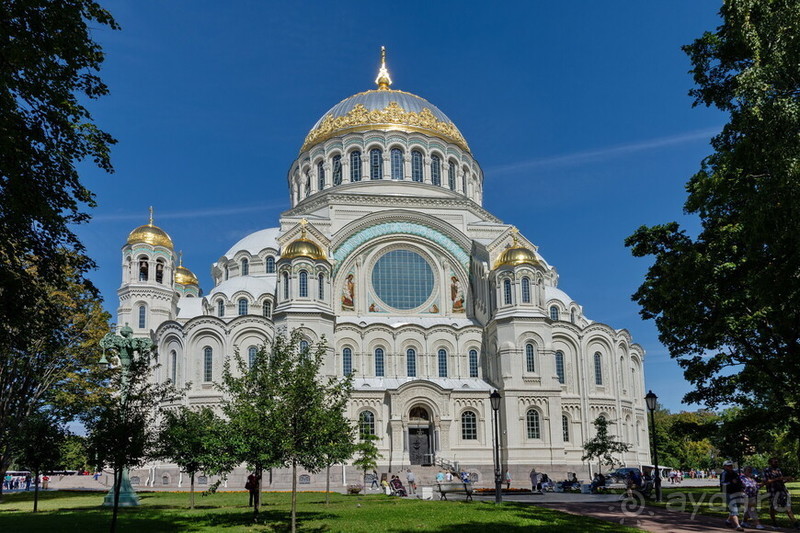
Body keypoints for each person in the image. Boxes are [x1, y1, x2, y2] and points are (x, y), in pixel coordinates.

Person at [763, 457, 798, 529]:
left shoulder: (778, 470)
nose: (777, 463)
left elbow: (781, 481)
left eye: (777, 462)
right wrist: (778, 479)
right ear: (770, 463)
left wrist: (787, 479)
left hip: (782, 490)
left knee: (787, 506)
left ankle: (795, 523)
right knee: (773, 507)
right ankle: (774, 522)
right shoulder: (766, 470)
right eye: (775, 462)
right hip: (773, 491)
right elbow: (766, 482)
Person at [721, 460, 745, 531]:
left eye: (731, 465)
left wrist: (741, 489)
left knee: (736, 508)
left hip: (737, 492)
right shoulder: (724, 474)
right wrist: (731, 482)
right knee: (734, 509)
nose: (730, 467)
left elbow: (739, 482)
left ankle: (728, 521)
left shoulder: (735, 473)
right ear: (725, 466)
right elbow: (723, 484)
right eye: (728, 466)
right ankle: (737, 526)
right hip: (729, 493)